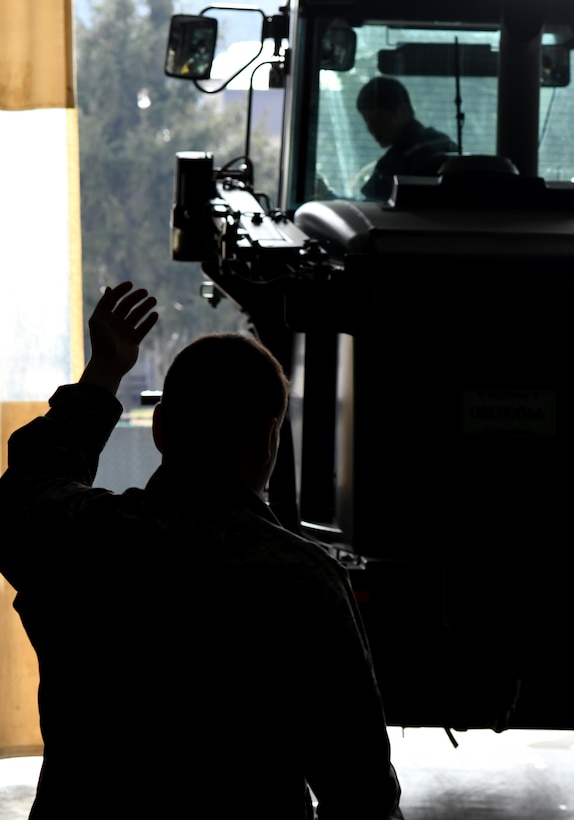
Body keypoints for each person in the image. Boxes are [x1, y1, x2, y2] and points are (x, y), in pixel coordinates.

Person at [0, 281, 405, 819]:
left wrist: (105, 372)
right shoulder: (303, 580)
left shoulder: (82, 537)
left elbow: (29, 482)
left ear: (160, 429)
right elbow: (361, 793)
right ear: (268, 442)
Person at [356, 75, 458, 200]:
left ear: (403, 111)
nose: (371, 129)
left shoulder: (394, 163)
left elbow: (370, 209)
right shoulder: (444, 143)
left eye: (378, 119)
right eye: (367, 121)